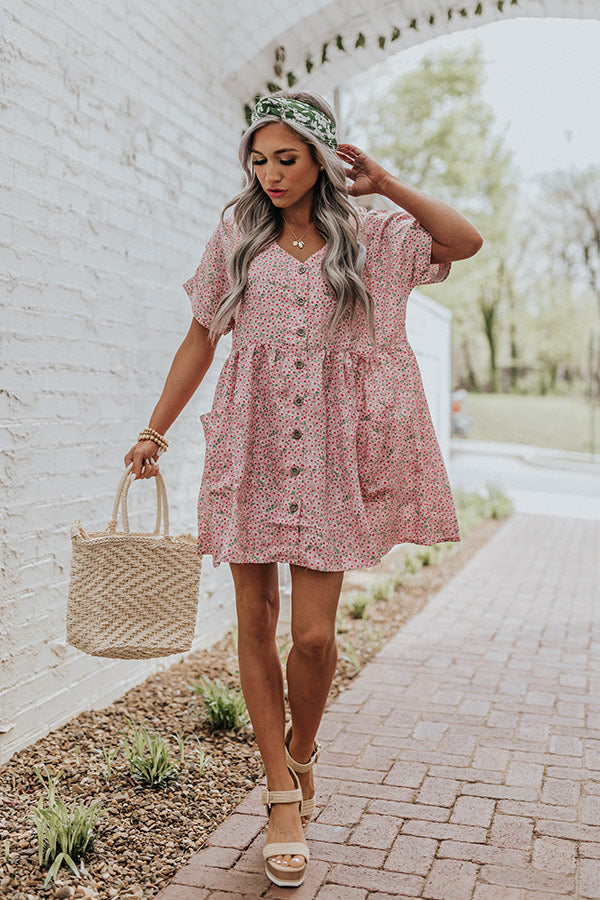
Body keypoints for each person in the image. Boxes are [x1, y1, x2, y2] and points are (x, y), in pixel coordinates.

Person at [124, 88, 482, 888]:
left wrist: (384, 182)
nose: (270, 174)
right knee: (254, 618)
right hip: (252, 446)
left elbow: (465, 239)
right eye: (258, 159)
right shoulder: (236, 238)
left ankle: (304, 751)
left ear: (321, 156)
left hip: (333, 455)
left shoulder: (376, 236)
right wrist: (155, 429)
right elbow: (199, 340)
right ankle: (280, 796)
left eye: (287, 158)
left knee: (315, 637)